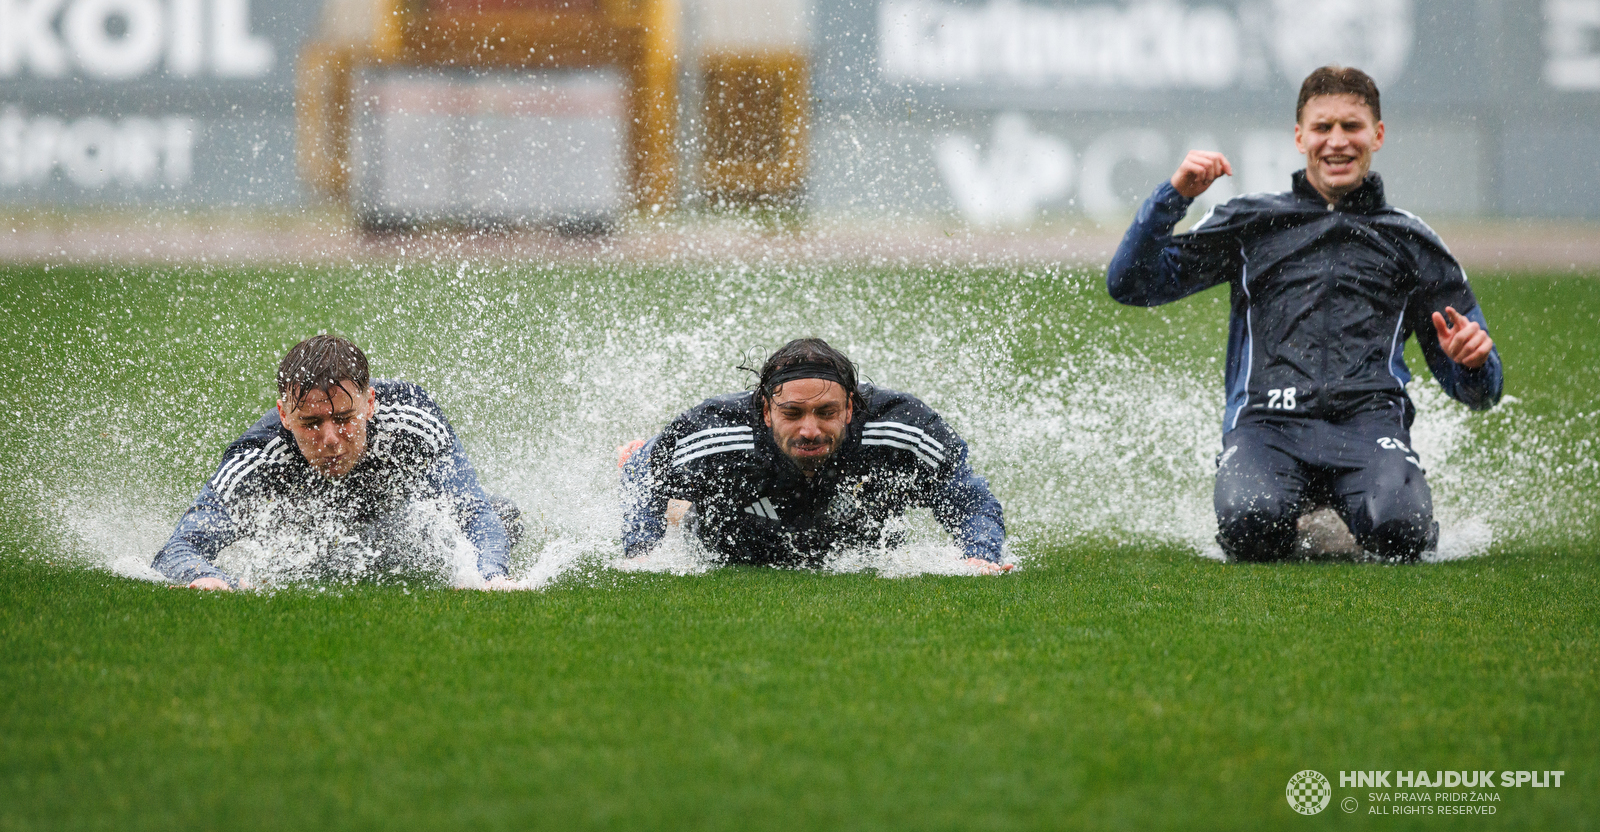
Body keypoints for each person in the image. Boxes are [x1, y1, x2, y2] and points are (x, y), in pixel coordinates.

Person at [1106, 66, 1503, 562]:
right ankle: (1305, 510)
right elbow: (1130, 284)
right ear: (1299, 137)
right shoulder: (1250, 222)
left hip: (1369, 427)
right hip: (1268, 426)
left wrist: (1472, 364)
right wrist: (1174, 197)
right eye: (1322, 128)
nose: (1337, 141)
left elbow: (1481, 393)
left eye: (1352, 126)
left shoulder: (1413, 241)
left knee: (1401, 536)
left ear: (1377, 134)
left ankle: (1369, 506)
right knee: (1252, 526)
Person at [152, 334, 521, 589]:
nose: (330, 440)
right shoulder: (256, 457)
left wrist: (489, 575)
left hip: (400, 526)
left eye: (345, 419)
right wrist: (209, 577)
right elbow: (179, 548)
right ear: (283, 415)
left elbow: (473, 511)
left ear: (371, 403)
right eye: (310, 424)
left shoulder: (412, 419)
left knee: (504, 517)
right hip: (310, 546)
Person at [621, 337, 1010, 572]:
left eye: (826, 413)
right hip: (733, 544)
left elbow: (966, 494)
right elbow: (643, 477)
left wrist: (980, 555)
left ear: (852, 409)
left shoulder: (900, 428)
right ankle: (674, 496)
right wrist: (641, 552)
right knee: (656, 471)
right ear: (766, 412)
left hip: (855, 542)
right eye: (792, 413)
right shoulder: (717, 429)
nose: (810, 430)